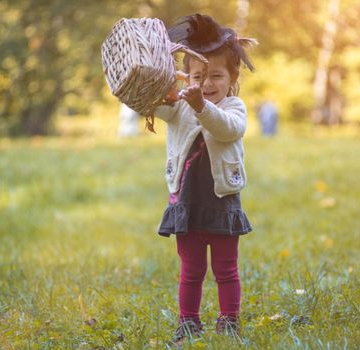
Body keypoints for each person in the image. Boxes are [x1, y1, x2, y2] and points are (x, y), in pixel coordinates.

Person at [154, 14, 256, 344]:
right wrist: (154, 86)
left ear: (232, 77)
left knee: (226, 270)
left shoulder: (234, 107)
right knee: (192, 270)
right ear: (187, 79)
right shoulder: (180, 106)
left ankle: (229, 322)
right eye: (198, 76)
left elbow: (226, 128)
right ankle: (188, 322)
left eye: (216, 76)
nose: (206, 83)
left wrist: (200, 106)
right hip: (186, 202)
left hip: (222, 200)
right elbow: (154, 104)